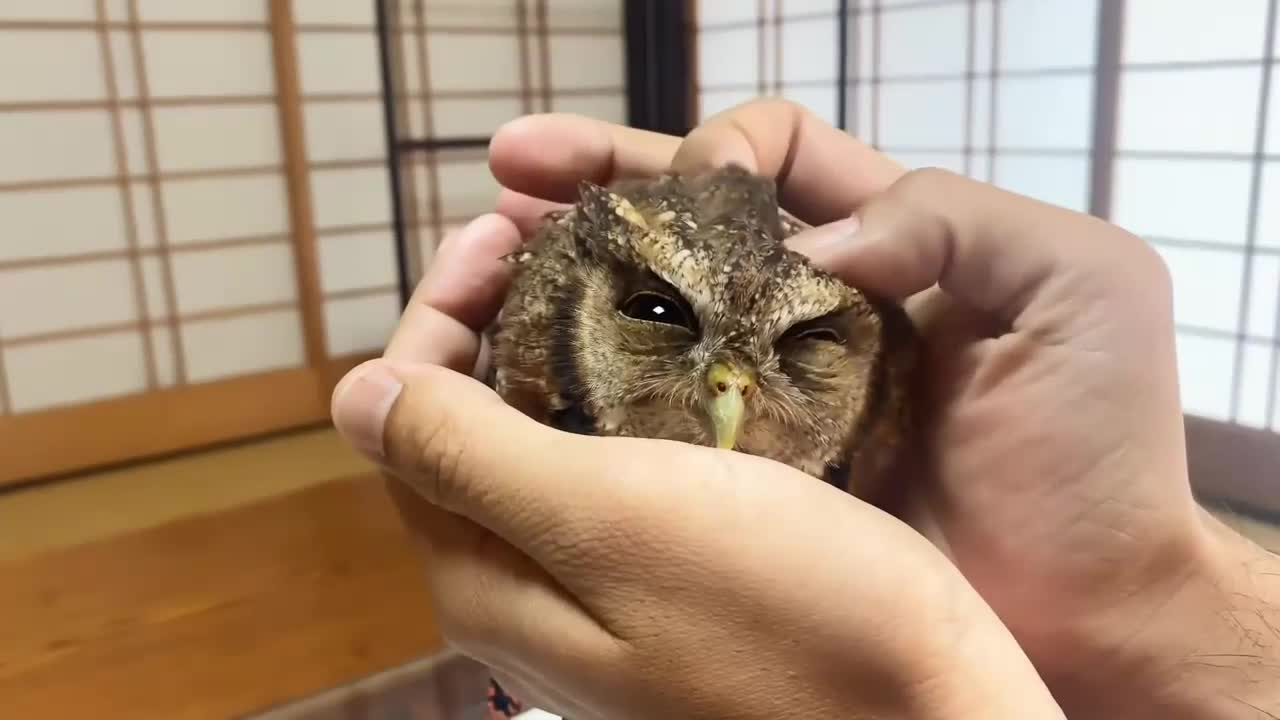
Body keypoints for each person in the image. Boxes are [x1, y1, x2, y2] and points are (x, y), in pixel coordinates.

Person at [330, 99, 1280, 719]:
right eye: (656, 316)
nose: (728, 393)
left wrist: (929, 684)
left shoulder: (893, 423)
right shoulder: (548, 359)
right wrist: (1149, 595)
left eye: (808, 345)